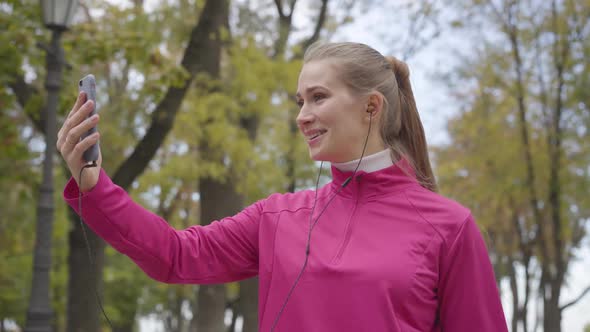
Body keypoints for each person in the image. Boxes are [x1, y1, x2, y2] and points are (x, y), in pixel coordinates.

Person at [57, 42, 508, 331]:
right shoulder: (278, 217)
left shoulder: (449, 226)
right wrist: (95, 186)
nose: (302, 115)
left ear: (372, 106)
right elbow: (175, 256)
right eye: (300, 101)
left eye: (318, 97)